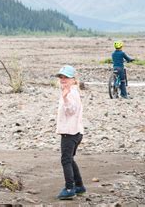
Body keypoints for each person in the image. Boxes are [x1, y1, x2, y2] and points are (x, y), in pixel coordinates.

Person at [55, 65, 86, 200]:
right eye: (61, 77)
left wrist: (65, 97)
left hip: (70, 133)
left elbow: (71, 110)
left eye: (66, 77)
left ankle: (69, 188)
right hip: (75, 131)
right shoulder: (72, 91)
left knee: (66, 160)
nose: (63, 80)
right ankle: (79, 186)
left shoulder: (71, 93)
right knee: (70, 159)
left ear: (73, 79)